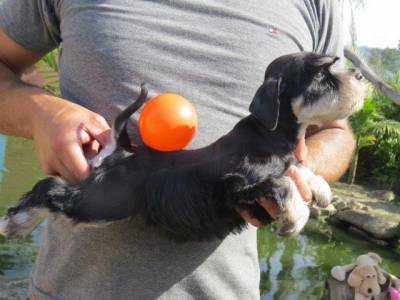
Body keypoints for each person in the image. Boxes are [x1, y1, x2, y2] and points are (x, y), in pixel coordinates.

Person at [0, 1, 355, 299]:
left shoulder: (318, 3)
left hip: (228, 290)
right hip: (72, 288)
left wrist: (304, 173)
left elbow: (336, 131)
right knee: (100, 201)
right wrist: (39, 114)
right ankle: (40, 201)